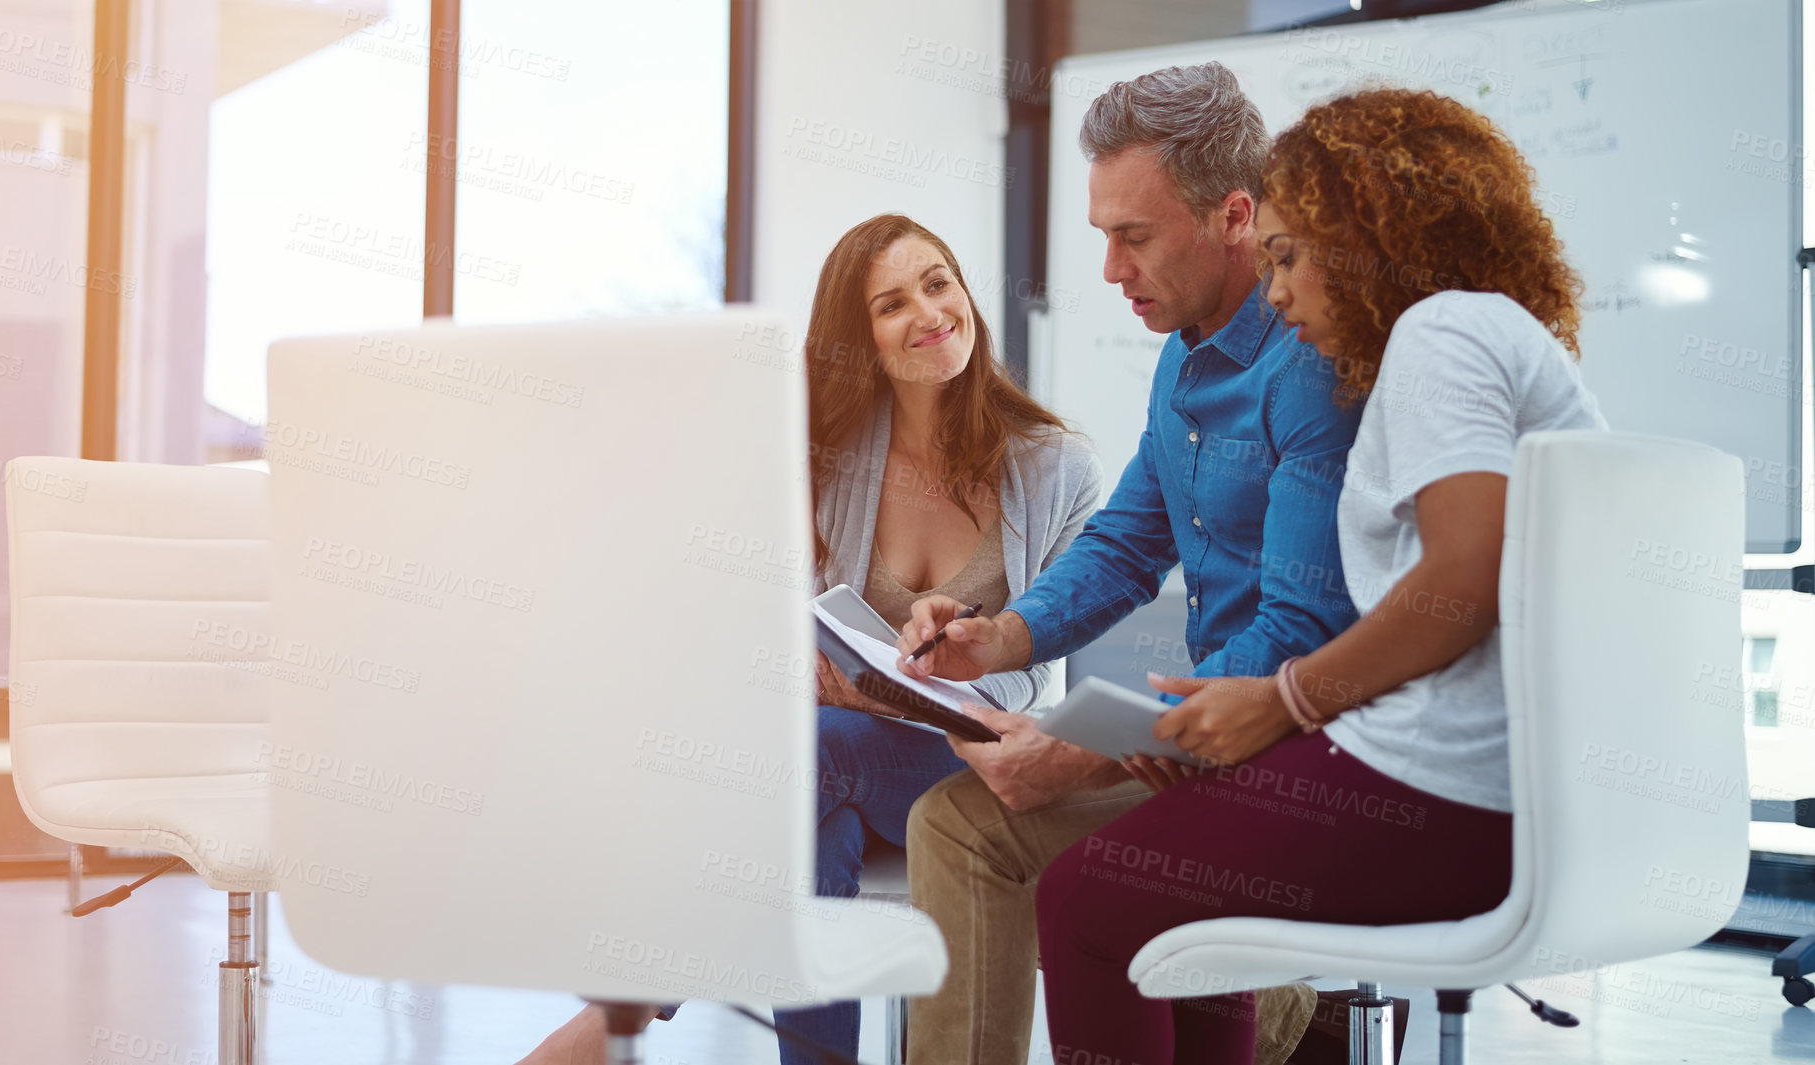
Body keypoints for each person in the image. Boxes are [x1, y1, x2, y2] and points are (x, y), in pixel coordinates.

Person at [1029, 86, 1606, 1063]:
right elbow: (1132, 538)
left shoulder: (1439, 335)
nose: (1278, 290)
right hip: (1511, 795)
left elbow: (1462, 577)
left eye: (1291, 257)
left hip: (1448, 799)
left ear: (1371, 242)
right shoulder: (1486, 335)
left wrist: (1281, 701)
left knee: (1082, 899)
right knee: (1168, 886)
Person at [513, 213, 1102, 1065]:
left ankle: (622, 1012)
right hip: (832, 766)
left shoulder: (1057, 467)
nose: (929, 312)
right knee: (807, 806)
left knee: (807, 756)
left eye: (938, 282)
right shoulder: (829, 457)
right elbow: (776, 630)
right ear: (860, 337)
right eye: (891, 302)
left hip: (970, 766)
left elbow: (1032, 672)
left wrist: (891, 691)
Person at [896, 63, 1365, 1065]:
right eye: (1103, 234)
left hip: (1295, 758)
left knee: (1042, 859)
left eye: (1132, 236)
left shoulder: (1309, 366)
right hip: (1203, 741)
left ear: (1233, 214)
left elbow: (1296, 633)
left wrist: (1081, 751)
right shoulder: (1182, 357)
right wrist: (999, 636)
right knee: (955, 822)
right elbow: (1124, 541)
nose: (1109, 270)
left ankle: (1271, 1007)